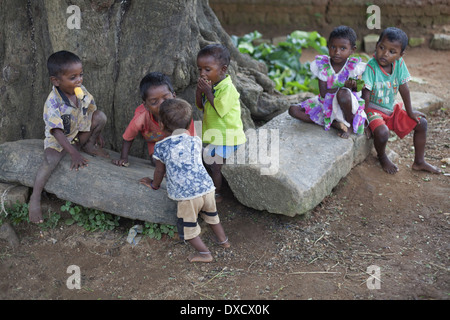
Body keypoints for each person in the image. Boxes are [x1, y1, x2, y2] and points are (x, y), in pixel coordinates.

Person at [140, 98, 230, 263]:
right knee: (212, 217)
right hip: (207, 188)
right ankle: (224, 241)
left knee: (188, 230)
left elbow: (160, 170)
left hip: (188, 197)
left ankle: (204, 253)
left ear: (160, 125)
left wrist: (154, 185)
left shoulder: (161, 147)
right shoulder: (196, 140)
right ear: (189, 124)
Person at [29, 50, 108, 223]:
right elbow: (56, 131)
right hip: (60, 137)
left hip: (78, 131)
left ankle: (88, 146)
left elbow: (91, 111)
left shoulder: (81, 90)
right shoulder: (53, 102)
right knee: (50, 160)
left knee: (101, 117)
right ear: (56, 81)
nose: (79, 80)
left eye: (80, 75)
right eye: (73, 77)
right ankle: (34, 199)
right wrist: (72, 152)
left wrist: (96, 133)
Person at [361, 27, 441, 175]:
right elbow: (364, 96)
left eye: (392, 51)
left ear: (400, 55)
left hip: (391, 109)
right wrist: (364, 121)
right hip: (373, 111)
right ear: (376, 45)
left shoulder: (399, 64)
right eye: (382, 47)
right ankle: (382, 156)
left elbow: (404, 88)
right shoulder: (371, 68)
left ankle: (419, 162)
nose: (385, 53)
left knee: (421, 123)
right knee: (383, 133)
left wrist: (410, 112)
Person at [289, 26, 367, 138]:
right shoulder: (323, 66)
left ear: (352, 50)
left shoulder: (353, 67)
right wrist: (344, 85)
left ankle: (348, 124)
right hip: (326, 104)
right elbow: (324, 94)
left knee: (343, 94)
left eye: (343, 48)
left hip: (345, 107)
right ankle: (331, 123)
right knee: (293, 110)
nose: (337, 52)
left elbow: (357, 92)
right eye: (333, 47)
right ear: (328, 46)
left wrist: (354, 86)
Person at [111, 72, 196, 167]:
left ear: (174, 97)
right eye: (154, 102)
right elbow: (128, 138)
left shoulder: (182, 113)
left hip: (178, 142)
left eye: (166, 99)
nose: (161, 104)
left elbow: (192, 140)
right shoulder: (141, 118)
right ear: (146, 105)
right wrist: (123, 158)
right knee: (157, 162)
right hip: (156, 143)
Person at [196, 44, 246, 202]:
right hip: (216, 136)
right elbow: (200, 105)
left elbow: (219, 109)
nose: (203, 73)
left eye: (207, 69)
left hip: (228, 137)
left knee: (216, 166)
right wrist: (200, 92)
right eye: (200, 69)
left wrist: (208, 92)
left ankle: (217, 193)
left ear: (223, 69)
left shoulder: (227, 89)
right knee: (210, 163)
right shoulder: (211, 86)